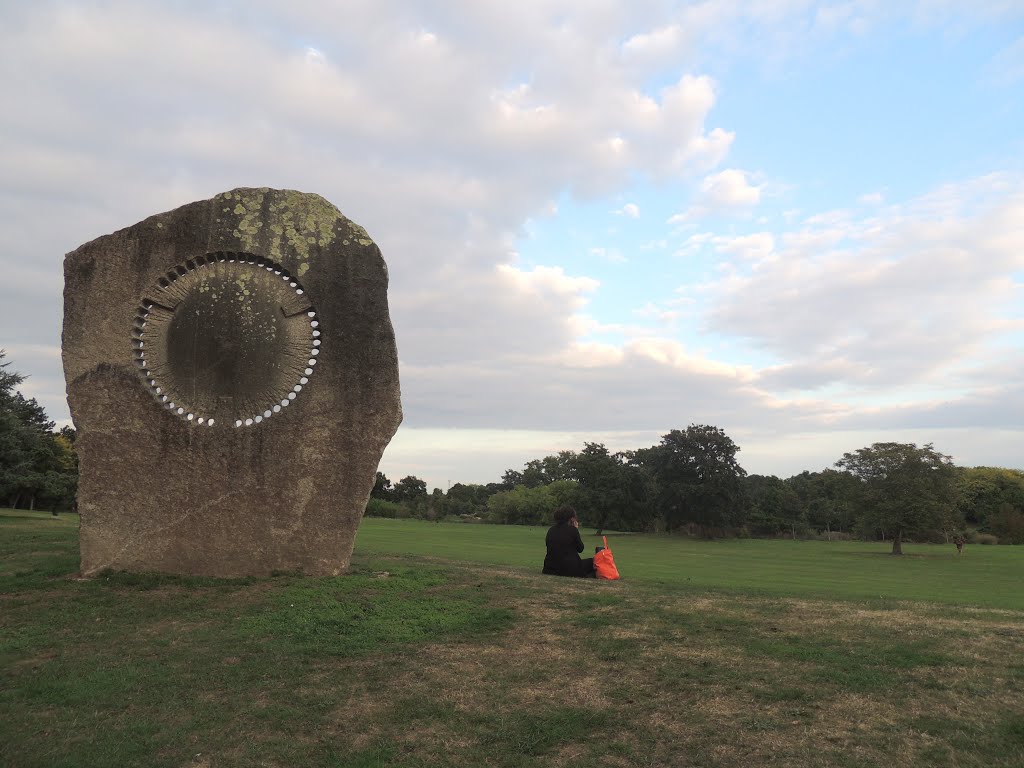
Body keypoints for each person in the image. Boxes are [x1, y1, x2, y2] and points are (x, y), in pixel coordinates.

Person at [542, 505, 595, 578]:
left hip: (549, 568)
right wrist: (576, 529)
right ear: (572, 519)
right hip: (568, 569)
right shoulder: (573, 530)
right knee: (594, 562)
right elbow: (580, 549)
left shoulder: (551, 530)